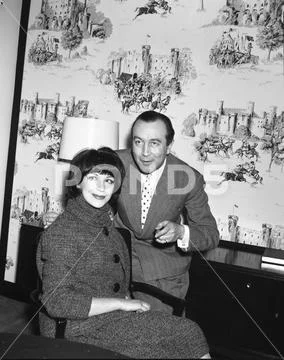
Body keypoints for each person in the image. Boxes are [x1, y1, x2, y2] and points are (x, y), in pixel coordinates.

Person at [37, 147, 211, 359]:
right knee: (181, 338)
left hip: (107, 318)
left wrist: (124, 302)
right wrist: (122, 304)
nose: (101, 187)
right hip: (74, 328)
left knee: (187, 334)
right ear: (78, 181)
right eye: (93, 178)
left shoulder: (104, 224)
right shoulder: (62, 232)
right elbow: (58, 302)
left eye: (109, 181)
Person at [44, 110, 219, 313]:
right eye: (138, 142)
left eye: (154, 143)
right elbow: (87, 191)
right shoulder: (116, 162)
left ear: (169, 146)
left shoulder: (188, 178)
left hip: (163, 271)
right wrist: (66, 219)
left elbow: (210, 234)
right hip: (115, 259)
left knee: (159, 336)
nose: (144, 152)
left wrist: (181, 232)